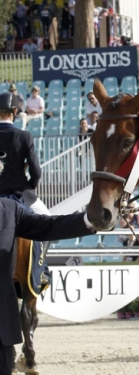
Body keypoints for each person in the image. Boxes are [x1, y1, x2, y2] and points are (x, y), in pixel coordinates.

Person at [0, 151, 96, 375]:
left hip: (2, 333)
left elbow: (49, 226)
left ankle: (38, 275)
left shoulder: (10, 211)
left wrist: (90, 220)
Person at [0, 91, 48, 215]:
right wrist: (31, 186)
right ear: (15, 111)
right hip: (19, 193)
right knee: (48, 223)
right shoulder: (24, 136)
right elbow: (36, 171)